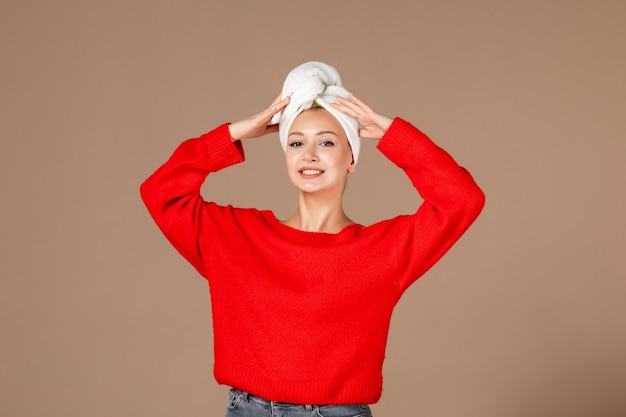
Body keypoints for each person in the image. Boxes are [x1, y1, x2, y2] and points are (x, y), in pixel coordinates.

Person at [140, 61, 485, 416]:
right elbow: (160, 192)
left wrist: (394, 134)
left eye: (327, 142)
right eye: (296, 142)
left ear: (351, 157)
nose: (309, 155)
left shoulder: (385, 249)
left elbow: (462, 199)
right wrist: (233, 133)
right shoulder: (235, 236)